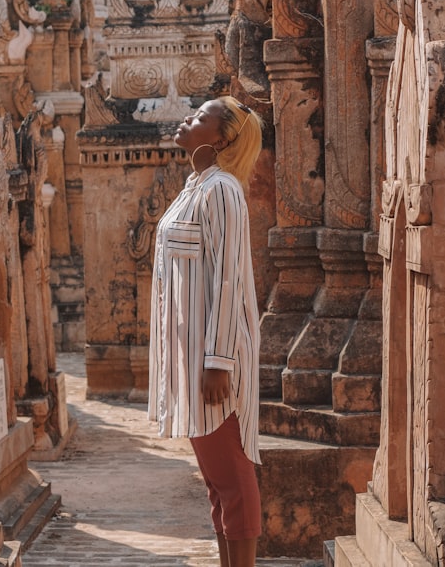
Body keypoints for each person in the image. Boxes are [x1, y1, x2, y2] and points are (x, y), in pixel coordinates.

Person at [148, 96, 264, 567]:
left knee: (234, 479)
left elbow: (229, 277)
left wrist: (218, 361)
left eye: (199, 117)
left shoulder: (223, 190)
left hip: (216, 361)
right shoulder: (195, 186)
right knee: (218, 483)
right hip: (193, 357)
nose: (186, 119)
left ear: (221, 138)